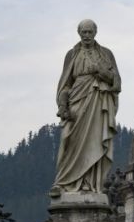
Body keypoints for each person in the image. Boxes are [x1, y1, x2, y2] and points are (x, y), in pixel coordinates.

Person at [50, 19, 121, 196]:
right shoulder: (72, 54)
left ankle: (91, 184)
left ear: (95, 33)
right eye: (84, 32)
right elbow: (65, 84)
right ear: (79, 33)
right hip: (76, 101)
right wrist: (63, 104)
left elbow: (116, 82)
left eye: (90, 32)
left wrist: (101, 72)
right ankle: (65, 182)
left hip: (98, 100)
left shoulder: (106, 54)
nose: (87, 35)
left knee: (95, 140)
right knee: (69, 140)